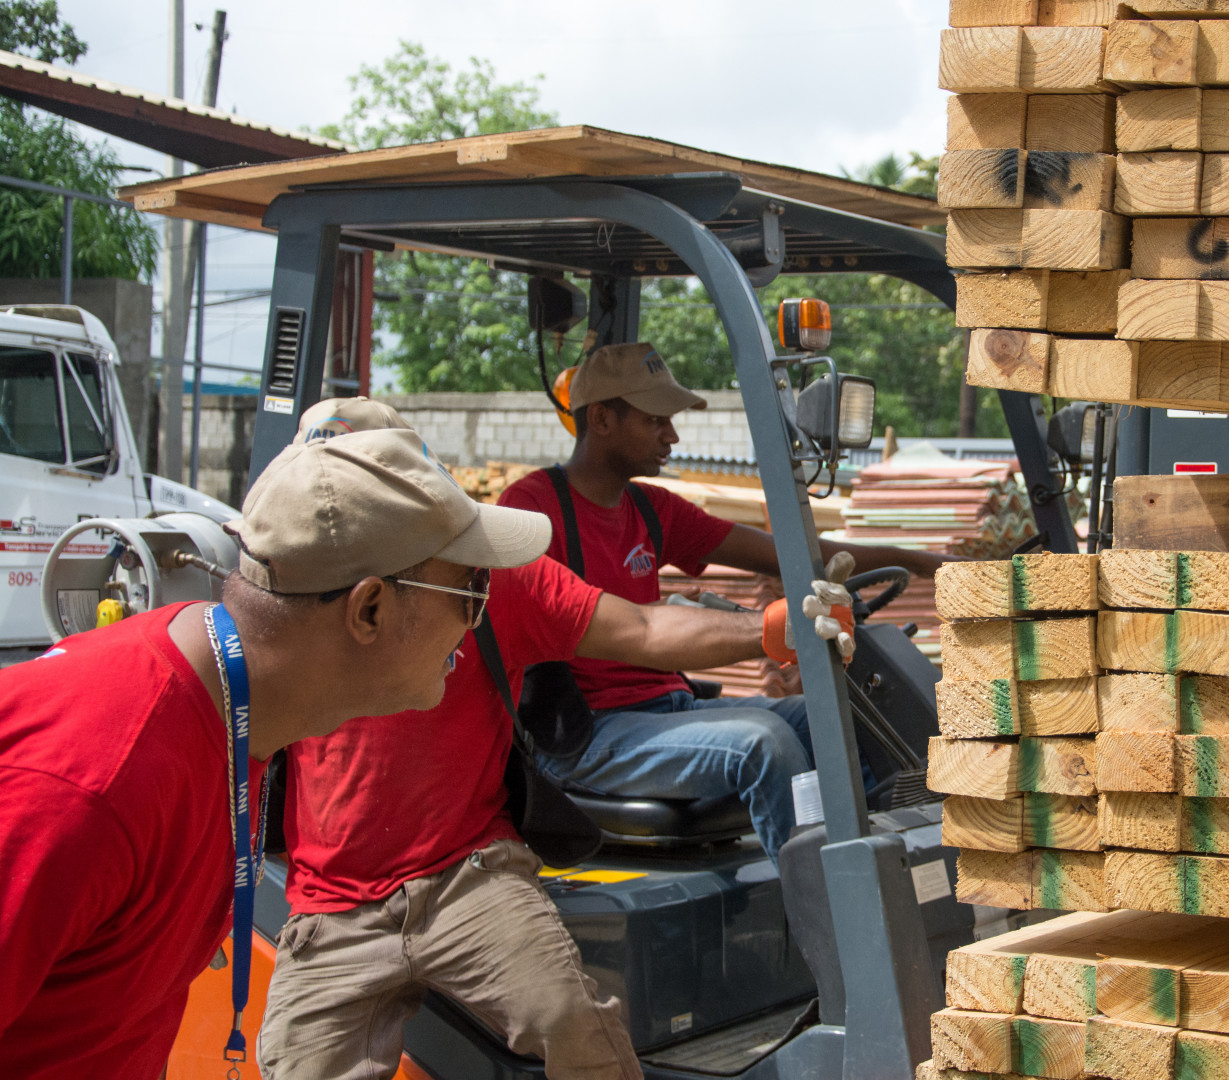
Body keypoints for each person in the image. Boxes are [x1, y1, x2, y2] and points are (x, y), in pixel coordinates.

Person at [255, 399, 839, 1080]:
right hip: (334, 908)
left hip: (466, 878)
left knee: (573, 1023)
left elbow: (642, 630)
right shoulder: (281, 614)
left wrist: (773, 628)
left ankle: (844, 946)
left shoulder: (490, 576)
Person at [0, 428, 552, 1079]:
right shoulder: (90, 786)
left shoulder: (228, 714)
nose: (477, 621)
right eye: (471, 592)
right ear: (369, 609)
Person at [497, 342, 954, 860]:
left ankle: (886, 866)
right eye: (655, 421)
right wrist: (775, 627)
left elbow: (792, 554)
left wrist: (918, 561)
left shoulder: (650, 508)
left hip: (668, 708)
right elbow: (638, 632)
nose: (672, 435)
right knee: (764, 743)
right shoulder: (531, 511)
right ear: (601, 418)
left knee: (855, 719)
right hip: (589, 734)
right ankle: (829, 902)